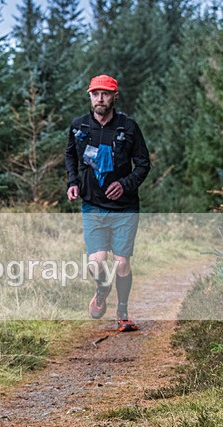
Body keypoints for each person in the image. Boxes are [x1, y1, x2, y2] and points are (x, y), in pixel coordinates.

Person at [64, 74, 151, 332]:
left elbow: (144, 164)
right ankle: (102, 289)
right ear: (90, 96)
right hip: (93, 204)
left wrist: (125, 184)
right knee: (97, 262)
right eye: (95, 93)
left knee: (122, 263)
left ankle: (123, 312)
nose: (100, 98)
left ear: (115, 96)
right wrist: (73, 181)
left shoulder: (129, 127)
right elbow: (70, 155)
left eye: (105, 93)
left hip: (125, 207)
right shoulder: (79, 127)